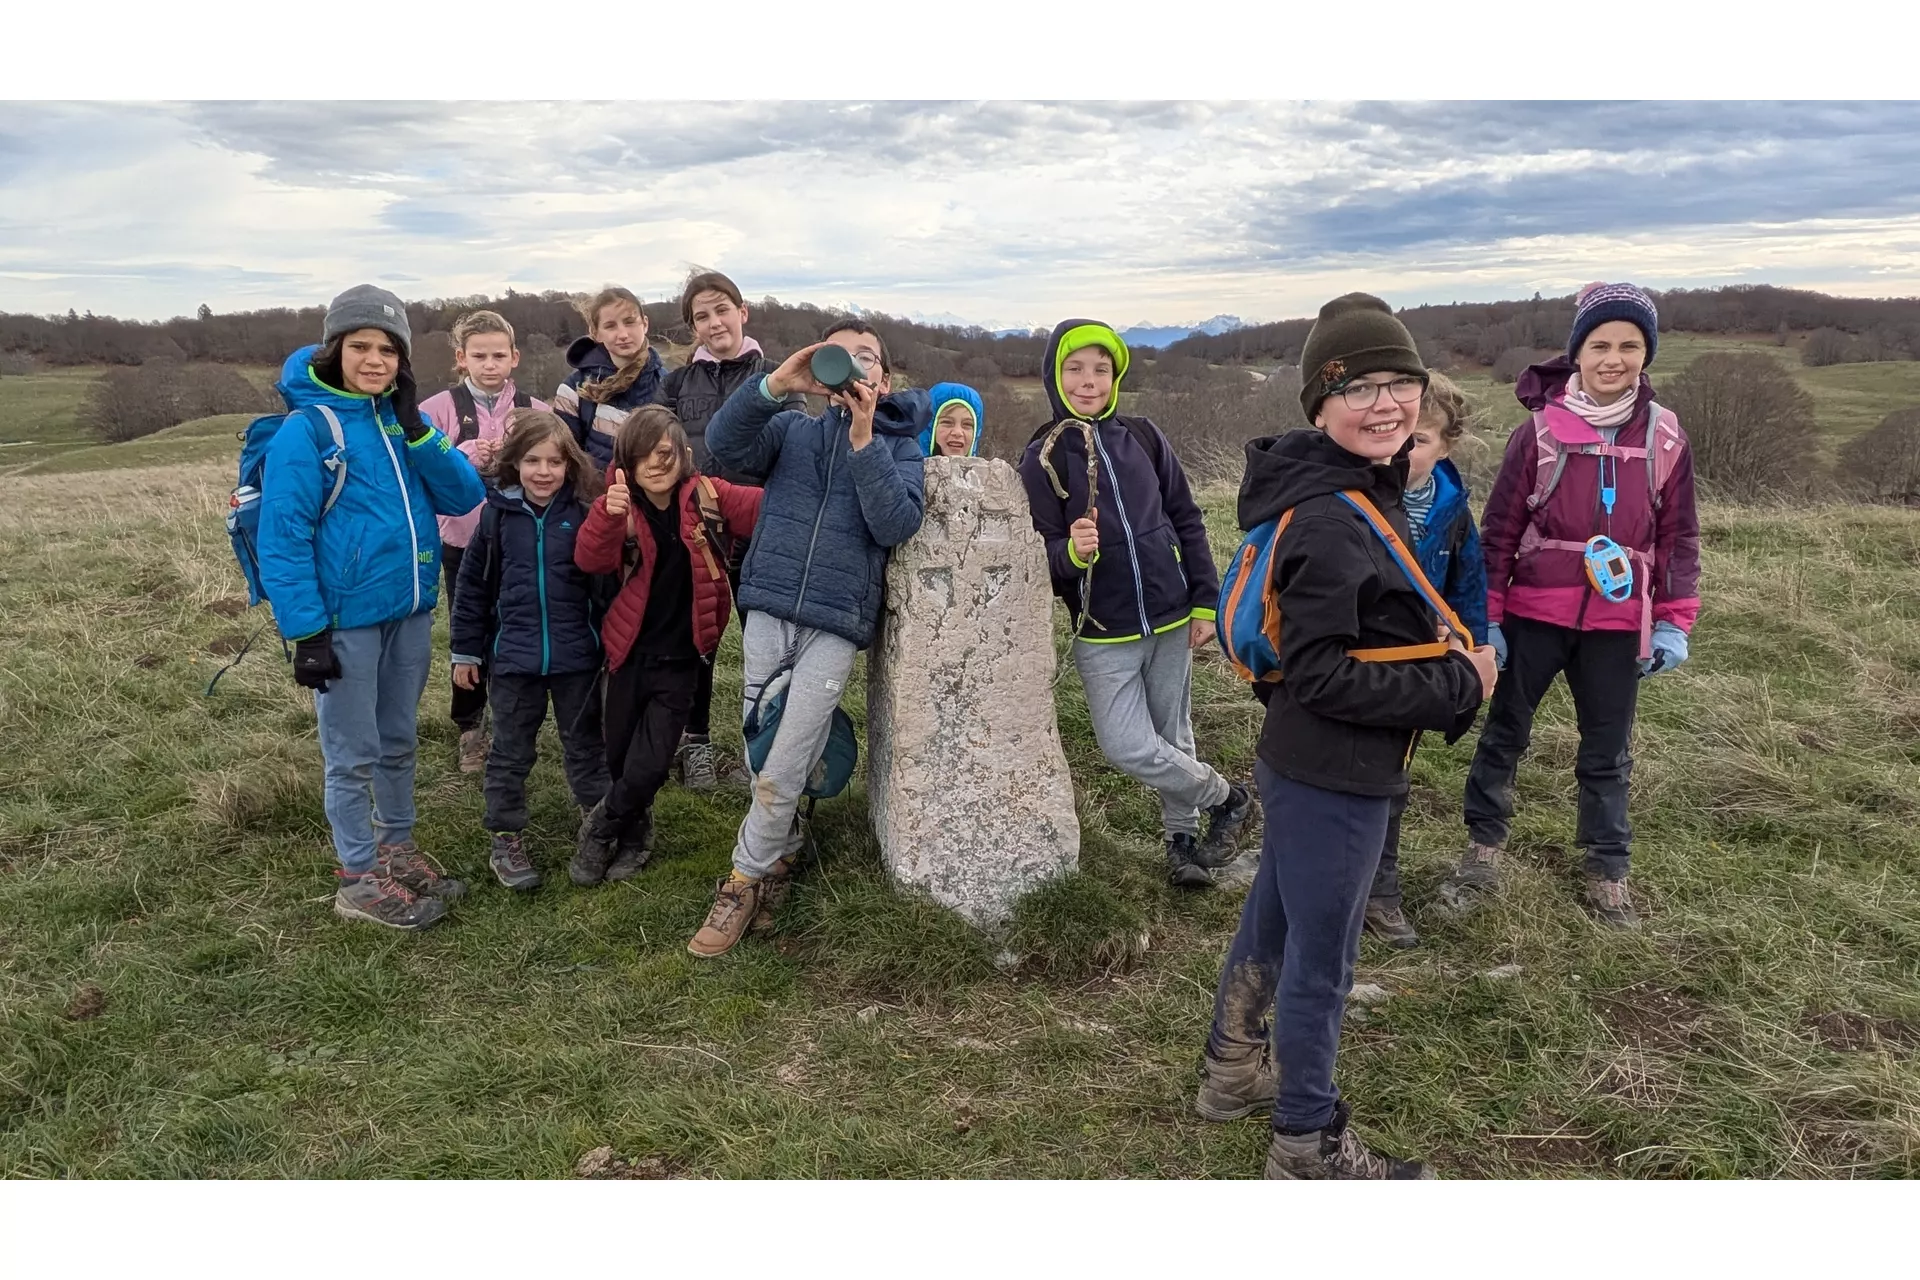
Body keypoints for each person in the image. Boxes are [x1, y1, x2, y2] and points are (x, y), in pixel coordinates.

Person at [1193, 293, 1498, 1178]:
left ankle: (1231, 1073)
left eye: (1400, 382)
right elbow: (1322, 672)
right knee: (1321, 967)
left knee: (1274, 919)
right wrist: (1455, 682)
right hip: (1337, 771)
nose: (1386, 404)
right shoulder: (1330, 518)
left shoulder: (1341, 486)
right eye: (1358, 387)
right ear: (1319, 407)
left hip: (1298, 759)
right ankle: (1307, 1144)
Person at [1447, 282, 1700, 930]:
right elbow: (1498, 533)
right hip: (1534, 614)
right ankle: (1482, 849)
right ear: (1578, 352)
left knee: (1608, 750)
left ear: (1647, 354)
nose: (1614, 358)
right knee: (1506, 732)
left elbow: (1677, 539)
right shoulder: (1540, 432)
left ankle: (1607, 870)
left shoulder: (1666, 438)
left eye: (1630, 345)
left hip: (1618, 623)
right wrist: (1490, 620)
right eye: (1600, 344)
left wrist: (1674, 621)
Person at [694, 320, 928, 958]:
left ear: (884, 377)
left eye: (868, 358)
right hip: (768, 604)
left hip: (836, 622)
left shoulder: (901, 449)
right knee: (758, 747)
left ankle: (741, 879)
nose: (855, 367)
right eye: (841, 355)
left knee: (788, 753)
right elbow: (722, 445)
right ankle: (785, 851)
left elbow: (895, 523)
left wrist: (863, 442)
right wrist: (773, 383)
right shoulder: (791, 430)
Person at [256, 284, 485, 931]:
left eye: (389, 348)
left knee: (397, 740)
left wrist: (417, 428)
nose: (376, 359)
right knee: (352, 753)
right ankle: (357, 879)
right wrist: (306, 632)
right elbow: (284, 537)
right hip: (345, 623)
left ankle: (397, 848)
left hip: (408, 612)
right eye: (361, 346)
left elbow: (464, 494)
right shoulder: (309, 429)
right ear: (336, 350)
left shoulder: (398, 422)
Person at [1016, 319, 1251, 889]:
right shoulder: (1041, 457)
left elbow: (1187, 518)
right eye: (1075, 368)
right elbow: (1039, 558)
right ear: (1055, 375)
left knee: (1174, 734)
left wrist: (1204, 602)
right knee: (1126, 746)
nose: (1088, 381)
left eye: (1101, 369)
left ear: (1115, 376)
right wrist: (1072, 553)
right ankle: (1230, 797)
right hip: (1102, 628)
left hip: (1171, 615)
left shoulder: (1144, 436)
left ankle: (1182, 842)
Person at [571, 407, 763, 887]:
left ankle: (600, 829)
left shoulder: (709, 497)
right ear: (625, 463)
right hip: (627, 655)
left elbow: (769, 507)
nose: (654, 465)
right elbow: (591, 559)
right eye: (641, 456)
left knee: (652, 761)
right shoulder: (618, 507)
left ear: (684, 453)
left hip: (681, 660)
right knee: (621, 757)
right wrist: (608, 515)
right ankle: (636, 835)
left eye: (663, 453)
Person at [449, 409, 608, 892]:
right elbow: (472, 588)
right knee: (510, 753)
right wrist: (465, 653)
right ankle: (506, 837)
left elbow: (605, 588)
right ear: (515, 463)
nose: (544, 472)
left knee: (585, 747)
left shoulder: (584, 515)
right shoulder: (497, 517)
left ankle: (597, 827)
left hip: (577, 658)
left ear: (570, 465)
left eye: (555, 462)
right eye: (533, 460)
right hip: (513, 660)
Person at [1362, 370, 1489, 948]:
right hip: (1363, 660)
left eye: (1422, 440)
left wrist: (1470, 642)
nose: (1406, 450)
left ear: (1446, 445)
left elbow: (1468, 582)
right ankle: (1350, 883)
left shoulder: (1451, 507)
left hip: (1421, 663)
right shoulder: (1357, 494)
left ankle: (1379, 893)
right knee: (1352, 775)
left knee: (1395, 779)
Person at [657, 271, 797, 792]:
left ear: (744, 312)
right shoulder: (675, 383)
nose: (714, 323)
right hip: (697, 534)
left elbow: (795, 450)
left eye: (722, 310)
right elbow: (660, 451)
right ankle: (694, 743)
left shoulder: (777, 375)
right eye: (701, 316)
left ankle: (760, 749)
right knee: (698, 642)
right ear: (692, 327)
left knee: (767, 646)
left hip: (762, 531)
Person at [420, 309, 550, 773]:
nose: (489, 364)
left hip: (521, 540)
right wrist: (465, 455)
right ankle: (470, 727)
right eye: (479, 355)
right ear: (461, 358)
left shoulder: (537, 410)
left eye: (498, 355)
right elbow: (423, 472)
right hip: (461, 540)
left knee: (514, 628)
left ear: (514, 357)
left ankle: (513, 721)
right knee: (468, 630)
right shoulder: (435, 410)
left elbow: (554, 466)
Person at [554, 286, 664, 471]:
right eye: (610, 326)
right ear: (595, 333)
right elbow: (563, 459)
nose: (623, 334)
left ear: (644, 323)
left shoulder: (668, 384)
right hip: (595, 497)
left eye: (629, 322)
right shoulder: (574, 389)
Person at [920, 382, 984, 457]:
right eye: (947, 422)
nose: (957, 432)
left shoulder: (983, 468)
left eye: (967, 424)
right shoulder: (907, 467)